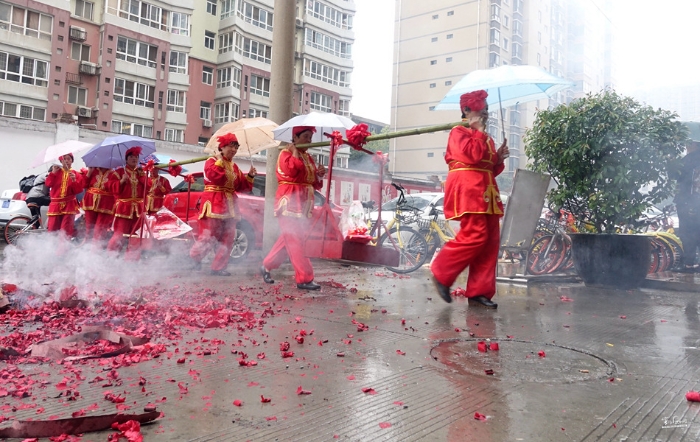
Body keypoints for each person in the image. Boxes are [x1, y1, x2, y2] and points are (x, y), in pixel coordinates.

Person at [430, 90, 509, 307]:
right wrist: (480, 131)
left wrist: (498, 157)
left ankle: (479, 292)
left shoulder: (485, 137)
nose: (485, 113)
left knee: (490, 242)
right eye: (481, 109)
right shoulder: (458, 131)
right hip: (469, 189)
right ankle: (441, 271)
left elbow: (489, 168)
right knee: (475, 234)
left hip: (487, 191)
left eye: (486, 109)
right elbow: (471, 156)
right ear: (466, 110)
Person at [260, 126, 327, 290]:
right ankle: (304, 278)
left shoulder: (308, 157)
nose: (309, 141)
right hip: (289, 201)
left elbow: (314, 182)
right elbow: (292, 169)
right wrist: (295, 151)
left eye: (311, 137)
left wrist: (319, 174)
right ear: (295, 138)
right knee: (296, 240)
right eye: (305, 136)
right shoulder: (285, 154)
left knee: (289, 239)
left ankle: (266, 265)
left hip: (303, 202)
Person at [189, 133, 256, 275]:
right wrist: (219, 161)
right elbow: (215, 176)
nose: (234, 150)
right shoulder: (211, 161)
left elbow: (242, 187)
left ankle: (219, 267)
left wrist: (250, 176)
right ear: (222, 147)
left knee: (228, 236)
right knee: (208, 236)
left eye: (236, 147)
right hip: (214, 201)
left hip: (230, 205)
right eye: (231, 147)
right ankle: (194, 258)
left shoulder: (234, 166)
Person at [107, 147, 148, 253]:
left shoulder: (141, 172)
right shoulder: (119, 172)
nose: (134, 159)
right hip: (124, 208)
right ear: (126, 159)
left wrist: (143, 176)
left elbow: (149, 187)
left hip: (138, 209)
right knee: (120, 233)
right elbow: (109, 186)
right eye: (131, 157)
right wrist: (121, 181)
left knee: (135, 235)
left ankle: (132, 258)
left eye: (136, 157)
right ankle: (111, 255)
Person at [673, 138, 700, 272]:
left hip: (688, 201)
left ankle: (688, 263)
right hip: (694, 201)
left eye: (688, 143)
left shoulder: (689, 160)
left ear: (694, 145)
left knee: (688, 233)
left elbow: (675, 176)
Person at [45, 154, 85, 238]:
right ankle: (50, 250)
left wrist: (74, 180)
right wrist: (53, 173)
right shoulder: (56, 172)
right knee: (52, 230)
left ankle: (62, 250)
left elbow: (78, 190)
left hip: (69, 205)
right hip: (55, 205)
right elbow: (48, 184)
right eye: (64, 159)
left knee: (65, 231)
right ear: (61, 161)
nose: (66, 161)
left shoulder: (76, 174)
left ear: (72, 161)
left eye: (68, 159)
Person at [81, 167, 118, 244]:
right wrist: (89, 173)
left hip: (106, 204)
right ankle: (86, 248)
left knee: (100, 228)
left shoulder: (114, 174)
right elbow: (83, 185)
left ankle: (96, 250)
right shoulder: (92, 171)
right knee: (89, 226)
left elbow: (116, 189)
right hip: (90, 202)